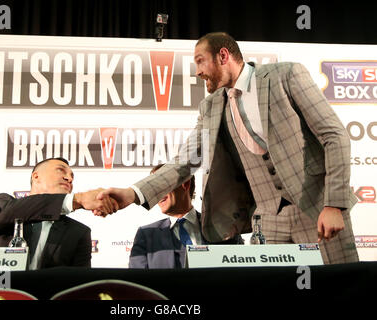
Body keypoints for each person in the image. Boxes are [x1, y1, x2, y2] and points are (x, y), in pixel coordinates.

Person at [98, 32, 359, 265]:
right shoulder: (210, 107)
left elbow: (334, 135)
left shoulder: (286, 76)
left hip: (319, 209)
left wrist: (334, 204)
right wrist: (132, 194)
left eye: (200, 61)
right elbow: (184, 162)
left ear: (223, 55)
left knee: (342, 289)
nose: (197, 71)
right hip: (267, 220)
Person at [0, 157, 118, 269]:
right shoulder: (1, 205)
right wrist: (78, 199)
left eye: (71, 176)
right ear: (36, 176)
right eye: (61, 170)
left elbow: (78, 286)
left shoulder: (79, 232)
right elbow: (15, 211)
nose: (69, 178)